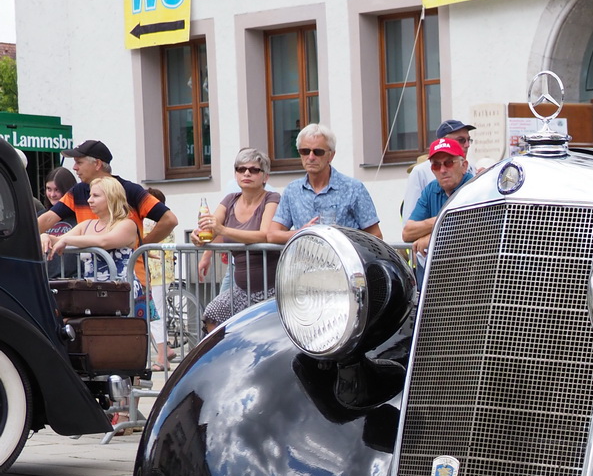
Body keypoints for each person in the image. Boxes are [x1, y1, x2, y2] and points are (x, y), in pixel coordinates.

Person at [199, 148, 282, 331]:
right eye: (241, 169)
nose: (246, 173)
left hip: (270, 288)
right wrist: (198, 237)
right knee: (212, 315)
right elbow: (211, 229)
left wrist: (222, 229)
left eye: (254, 170)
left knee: (259, 332)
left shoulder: (272, 198)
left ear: (265, 177)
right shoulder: (230, 200)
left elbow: (264, 234)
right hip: (241, 289)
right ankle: (225, 350)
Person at [36, 139, 179, 244]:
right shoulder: (78, 191)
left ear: (97, 164)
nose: (74, 167)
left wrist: (143, 246)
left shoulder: (130, 190)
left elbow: (169, 220)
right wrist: (27, 238)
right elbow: (48, 219)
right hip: (93, 272)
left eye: (79, 162)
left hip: (129, 272)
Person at [267, 124, 382, 242]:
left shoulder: (353, 188)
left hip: (342, 254)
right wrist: (302, 233)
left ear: (331, 156)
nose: (311, 157)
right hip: (305, 254)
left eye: (318, 152)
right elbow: (272, 235)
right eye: (305, 151)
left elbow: (376, 236)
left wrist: (342, 242)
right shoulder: (292, 190)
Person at [39, 175, 138, 267]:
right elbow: (58, 240)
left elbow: (104, 242)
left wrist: (67, 240)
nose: (89, 200)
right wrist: (45, 236)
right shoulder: (86, 225)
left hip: (119, 280)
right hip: (90, 280)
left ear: (111, 198)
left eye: (96, 195)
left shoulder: (127, 224)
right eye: (90, 195)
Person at [402, 136, 472, 265]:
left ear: (464, 166)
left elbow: (474, 229)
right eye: (436, 165)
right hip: (437, 271)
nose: (443, 170)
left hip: (472, 269)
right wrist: (440, 220)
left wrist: (433, 238)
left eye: (449, 163)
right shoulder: (431, 189)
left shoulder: (474, 187)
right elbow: (408, 232)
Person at [400, 118, 478, 216]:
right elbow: (410, 217)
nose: (467, 145)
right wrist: (443, 220)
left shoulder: (472, 168)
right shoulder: (420, 172)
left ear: (464, 166)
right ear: (444, 142)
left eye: (468, 140)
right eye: (461, 140)